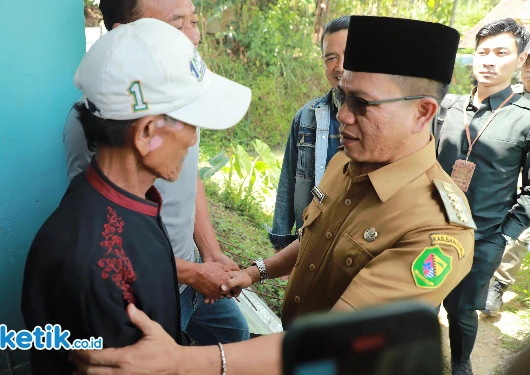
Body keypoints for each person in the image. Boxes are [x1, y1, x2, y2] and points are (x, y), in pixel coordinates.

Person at [69, 16, 476, 375]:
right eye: (341, 95)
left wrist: (180, 363)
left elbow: (336, 344)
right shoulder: (349, 162)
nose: (341, 115)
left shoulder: (437, 229)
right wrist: (254, 272)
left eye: (362, 104)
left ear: (422, 112)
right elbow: (317, 238)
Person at [21, 18, 251, 374]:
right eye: (190, 123)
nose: (193, 140)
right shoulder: (97, 266)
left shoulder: (128, 202)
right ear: (146, 133)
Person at [436, 18, 530, 375]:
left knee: (461, 309)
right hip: (429, 229)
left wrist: (506, 232)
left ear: (520, 60)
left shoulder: (525, 117)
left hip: (483, 238)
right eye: (483, 52)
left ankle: (461, 363)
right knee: (421, 296)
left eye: (501, 53)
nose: (489, 60)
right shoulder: (448, 106)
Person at [268, 16, 349, 252]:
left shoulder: (384, 121)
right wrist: (282, 243)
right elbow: (288, 182)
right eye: (331, 58)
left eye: (349, 55)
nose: (340, 66)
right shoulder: (307, 117)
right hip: (309, 243)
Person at [485, 56, 530, 315]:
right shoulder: (508, 96)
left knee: (522, 233)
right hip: (504, 181)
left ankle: (499, 284)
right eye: (528, 64)